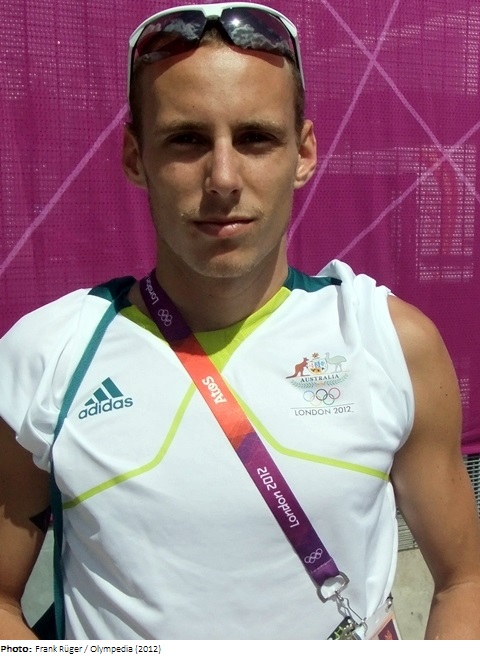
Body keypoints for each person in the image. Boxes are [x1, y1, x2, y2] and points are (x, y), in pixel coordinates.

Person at [1, 2, 480, 641]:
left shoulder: (389, 342)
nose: (223, 178)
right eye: (187, 140)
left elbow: (464, 582)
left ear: (303, 153)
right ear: (136, 157)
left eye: (255, 138)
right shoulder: (46, 355)